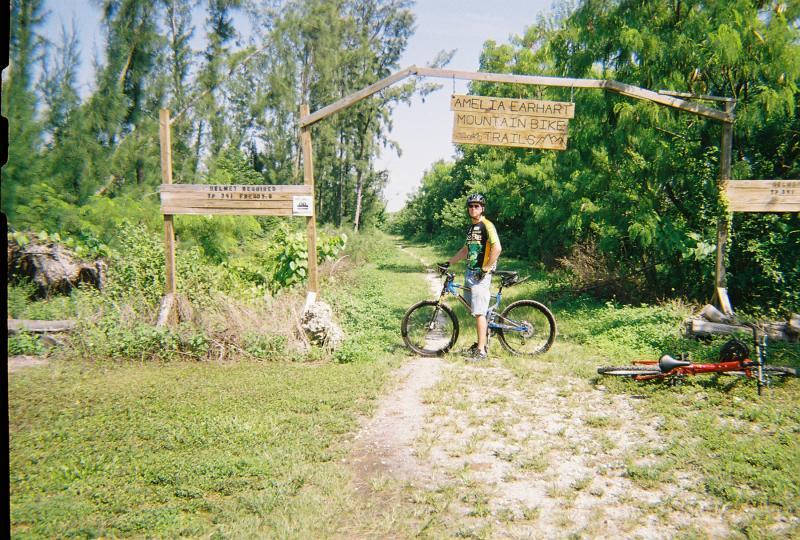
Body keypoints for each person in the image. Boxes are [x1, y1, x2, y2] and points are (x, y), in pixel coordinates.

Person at [441, 193, 502, 361]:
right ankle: (482, 342)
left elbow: (497, 249)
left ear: (482, 208)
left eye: (477, 206)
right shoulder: (471, 228)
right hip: (470, 272)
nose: (473, 208)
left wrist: (486, 268)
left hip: (481, 275)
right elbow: (465, 250)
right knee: (475, 310)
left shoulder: (487, 225)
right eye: (471, 206)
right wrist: (449, 262)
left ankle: (481, 351)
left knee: (479, 312)